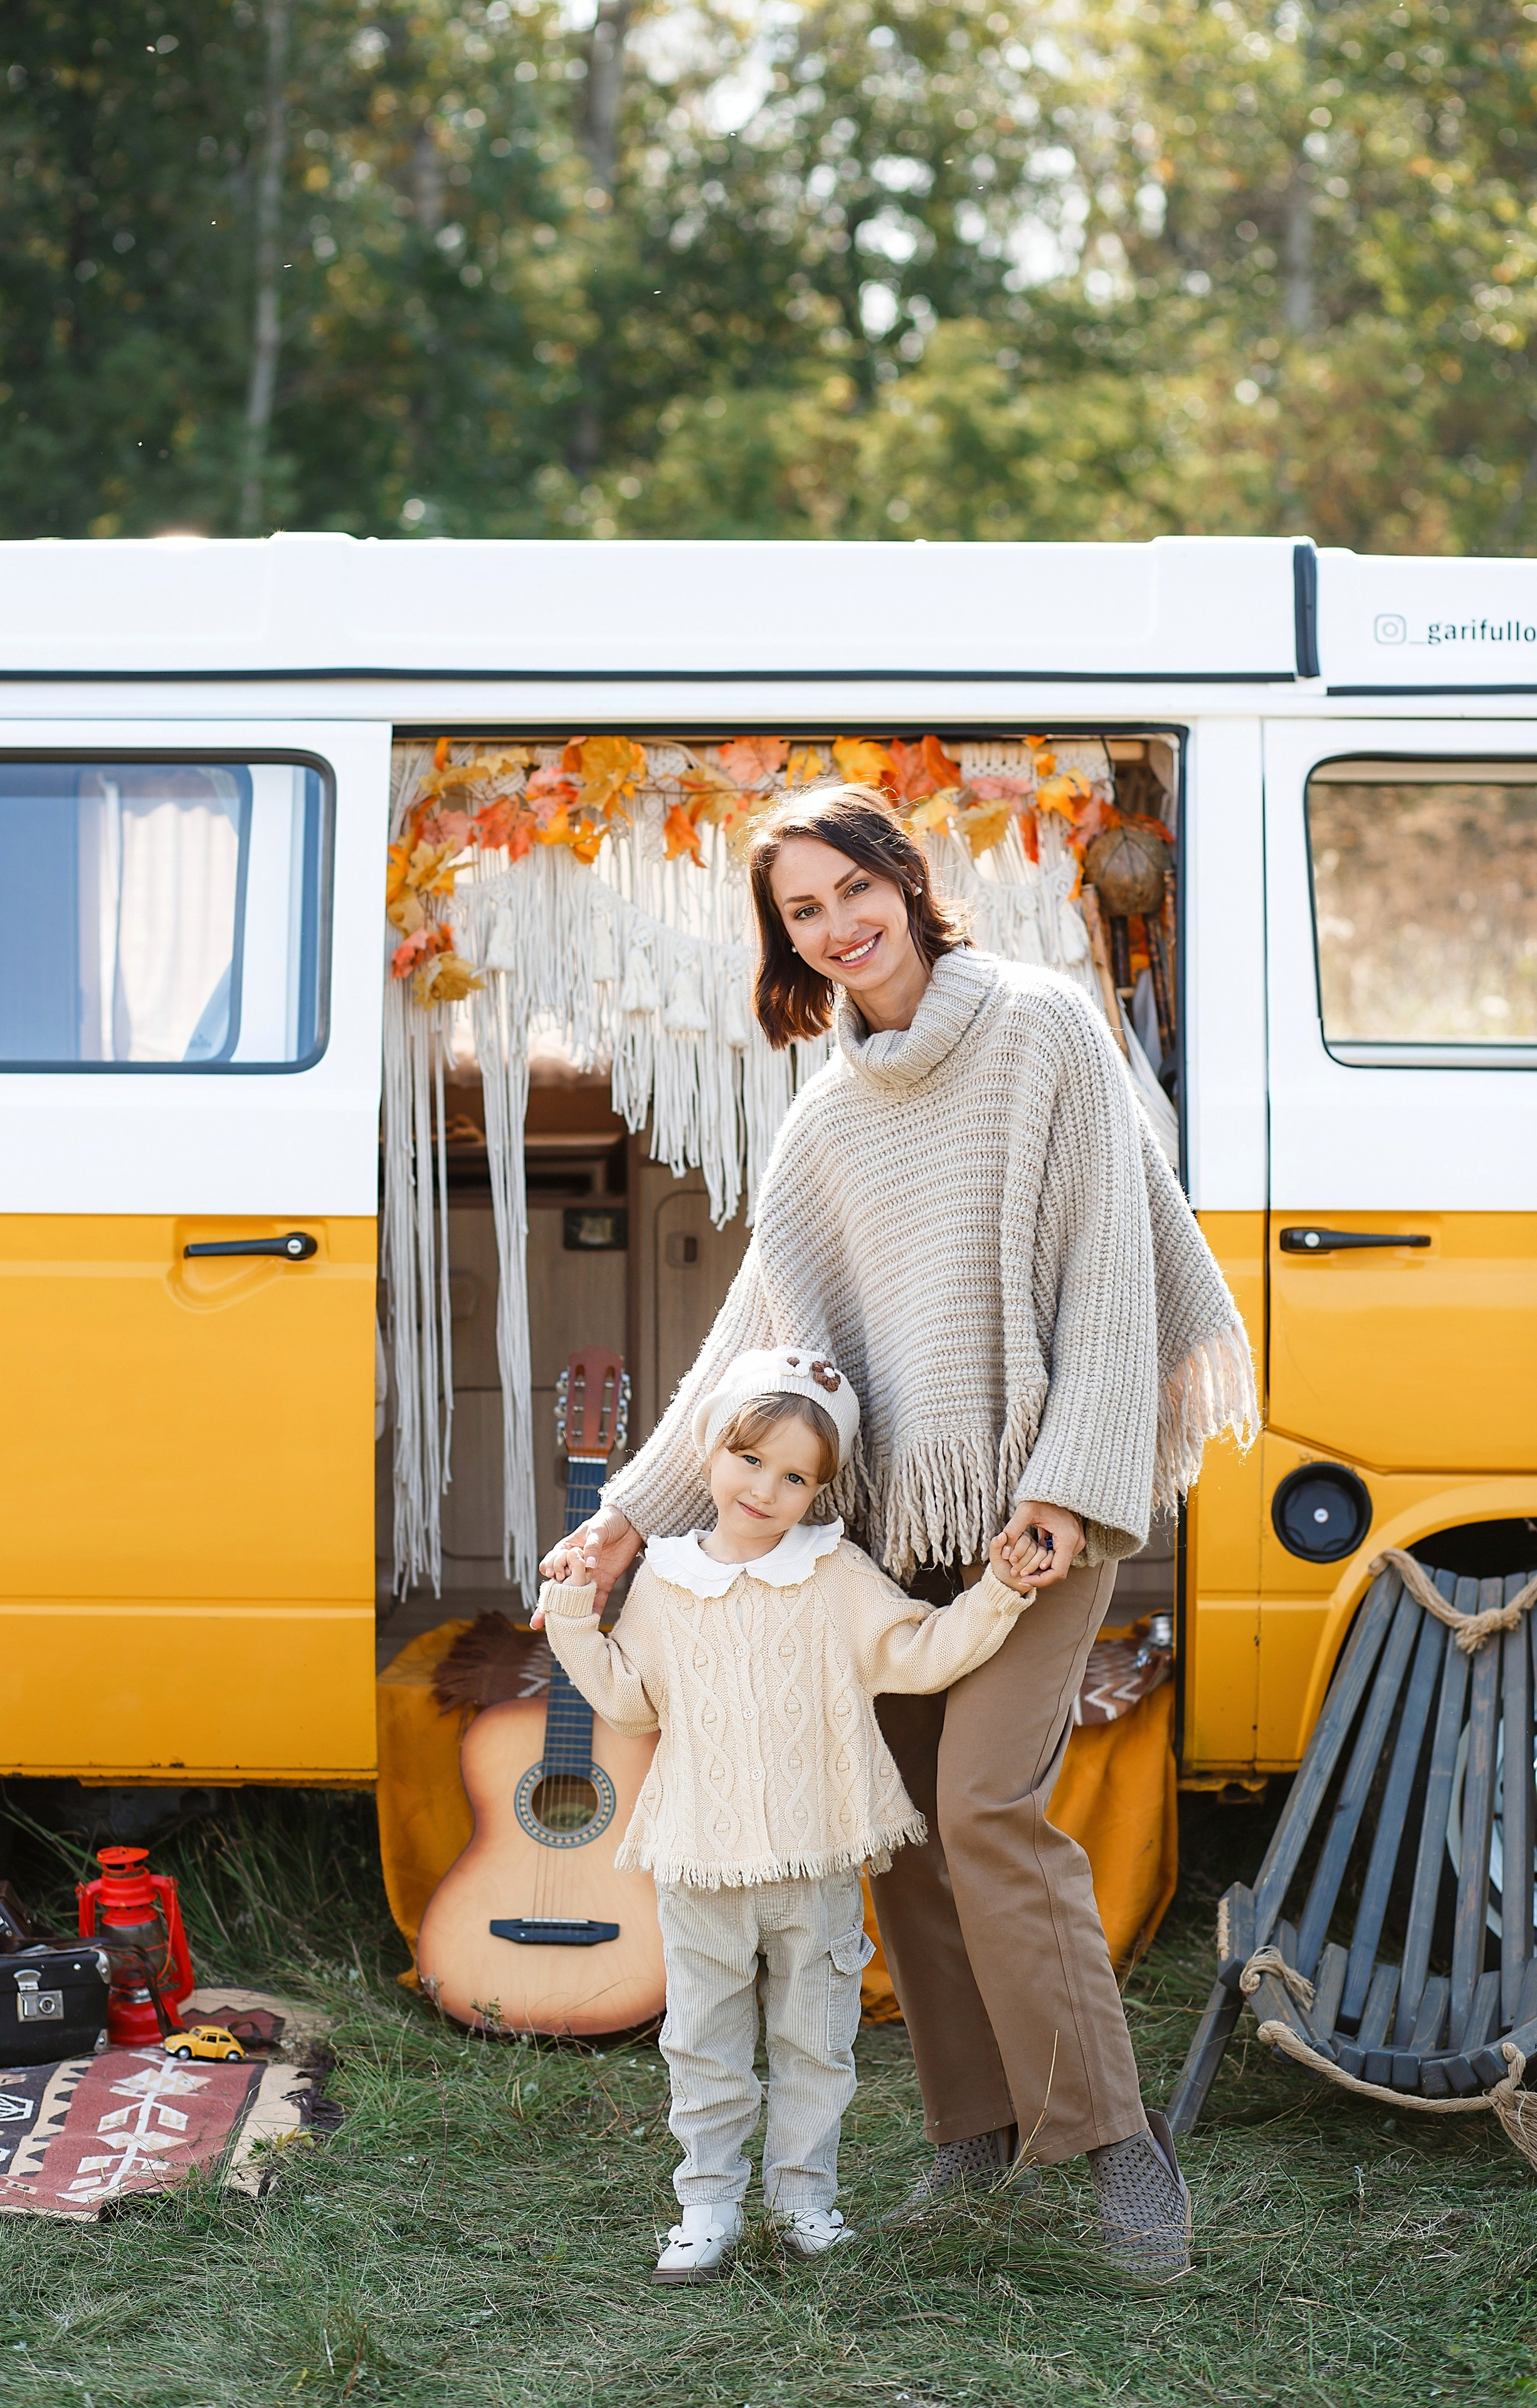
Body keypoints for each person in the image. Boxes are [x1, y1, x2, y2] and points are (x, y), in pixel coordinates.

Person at [542, 782, 1257, 2282]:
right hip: (898, 1523)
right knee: (904, 1831)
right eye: (800, 912)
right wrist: (620, 1524)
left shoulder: (1042, 1027)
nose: (836, 927)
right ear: (784, 939)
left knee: (988, 1807)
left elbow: (1110, 1276)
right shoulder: (823, 1115)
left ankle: (1117, 2149)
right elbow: (757, 1336)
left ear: (903, 878)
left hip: (1043, 1500)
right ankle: (974, 2129)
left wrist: (1059, 1488)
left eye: (850, 889)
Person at [536, 1348, 1035, 2283]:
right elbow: (631, 1703)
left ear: (820, 1489)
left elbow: (919, 1655)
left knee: (818, 2039)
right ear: (710, 1452)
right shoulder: (668, 1579)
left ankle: (805, 2197)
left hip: (816, 1862)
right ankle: (708, 2204)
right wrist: (573, 1614)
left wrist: (998, 1593)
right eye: (749, 1458)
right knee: (704, 2041)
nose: (765, 1488)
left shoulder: (834, 1573)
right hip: (700, 1861)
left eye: (796, 1475)